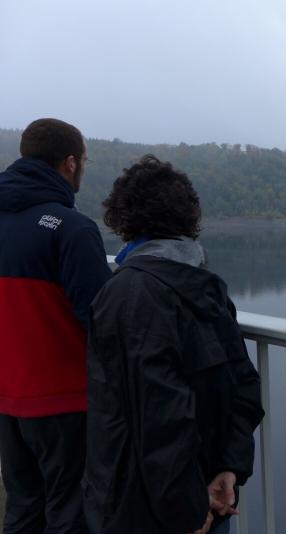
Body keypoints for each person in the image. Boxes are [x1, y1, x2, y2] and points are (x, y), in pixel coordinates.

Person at [83, 155, 264, 534]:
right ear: (188, 216)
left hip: (148, 508)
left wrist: (188, 508)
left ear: (123, 219)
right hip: (209, 494)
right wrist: (228, 467)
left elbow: (161, 415)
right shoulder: (207, 286)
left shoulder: (127, 293)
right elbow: (243, 385)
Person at [0, 118, 112, 533]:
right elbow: (101, 320)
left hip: (8, 398)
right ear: (70, 163)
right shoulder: (71, 228)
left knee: (23, 508)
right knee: (70, 514)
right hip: (64, 402)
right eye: (84, 160)